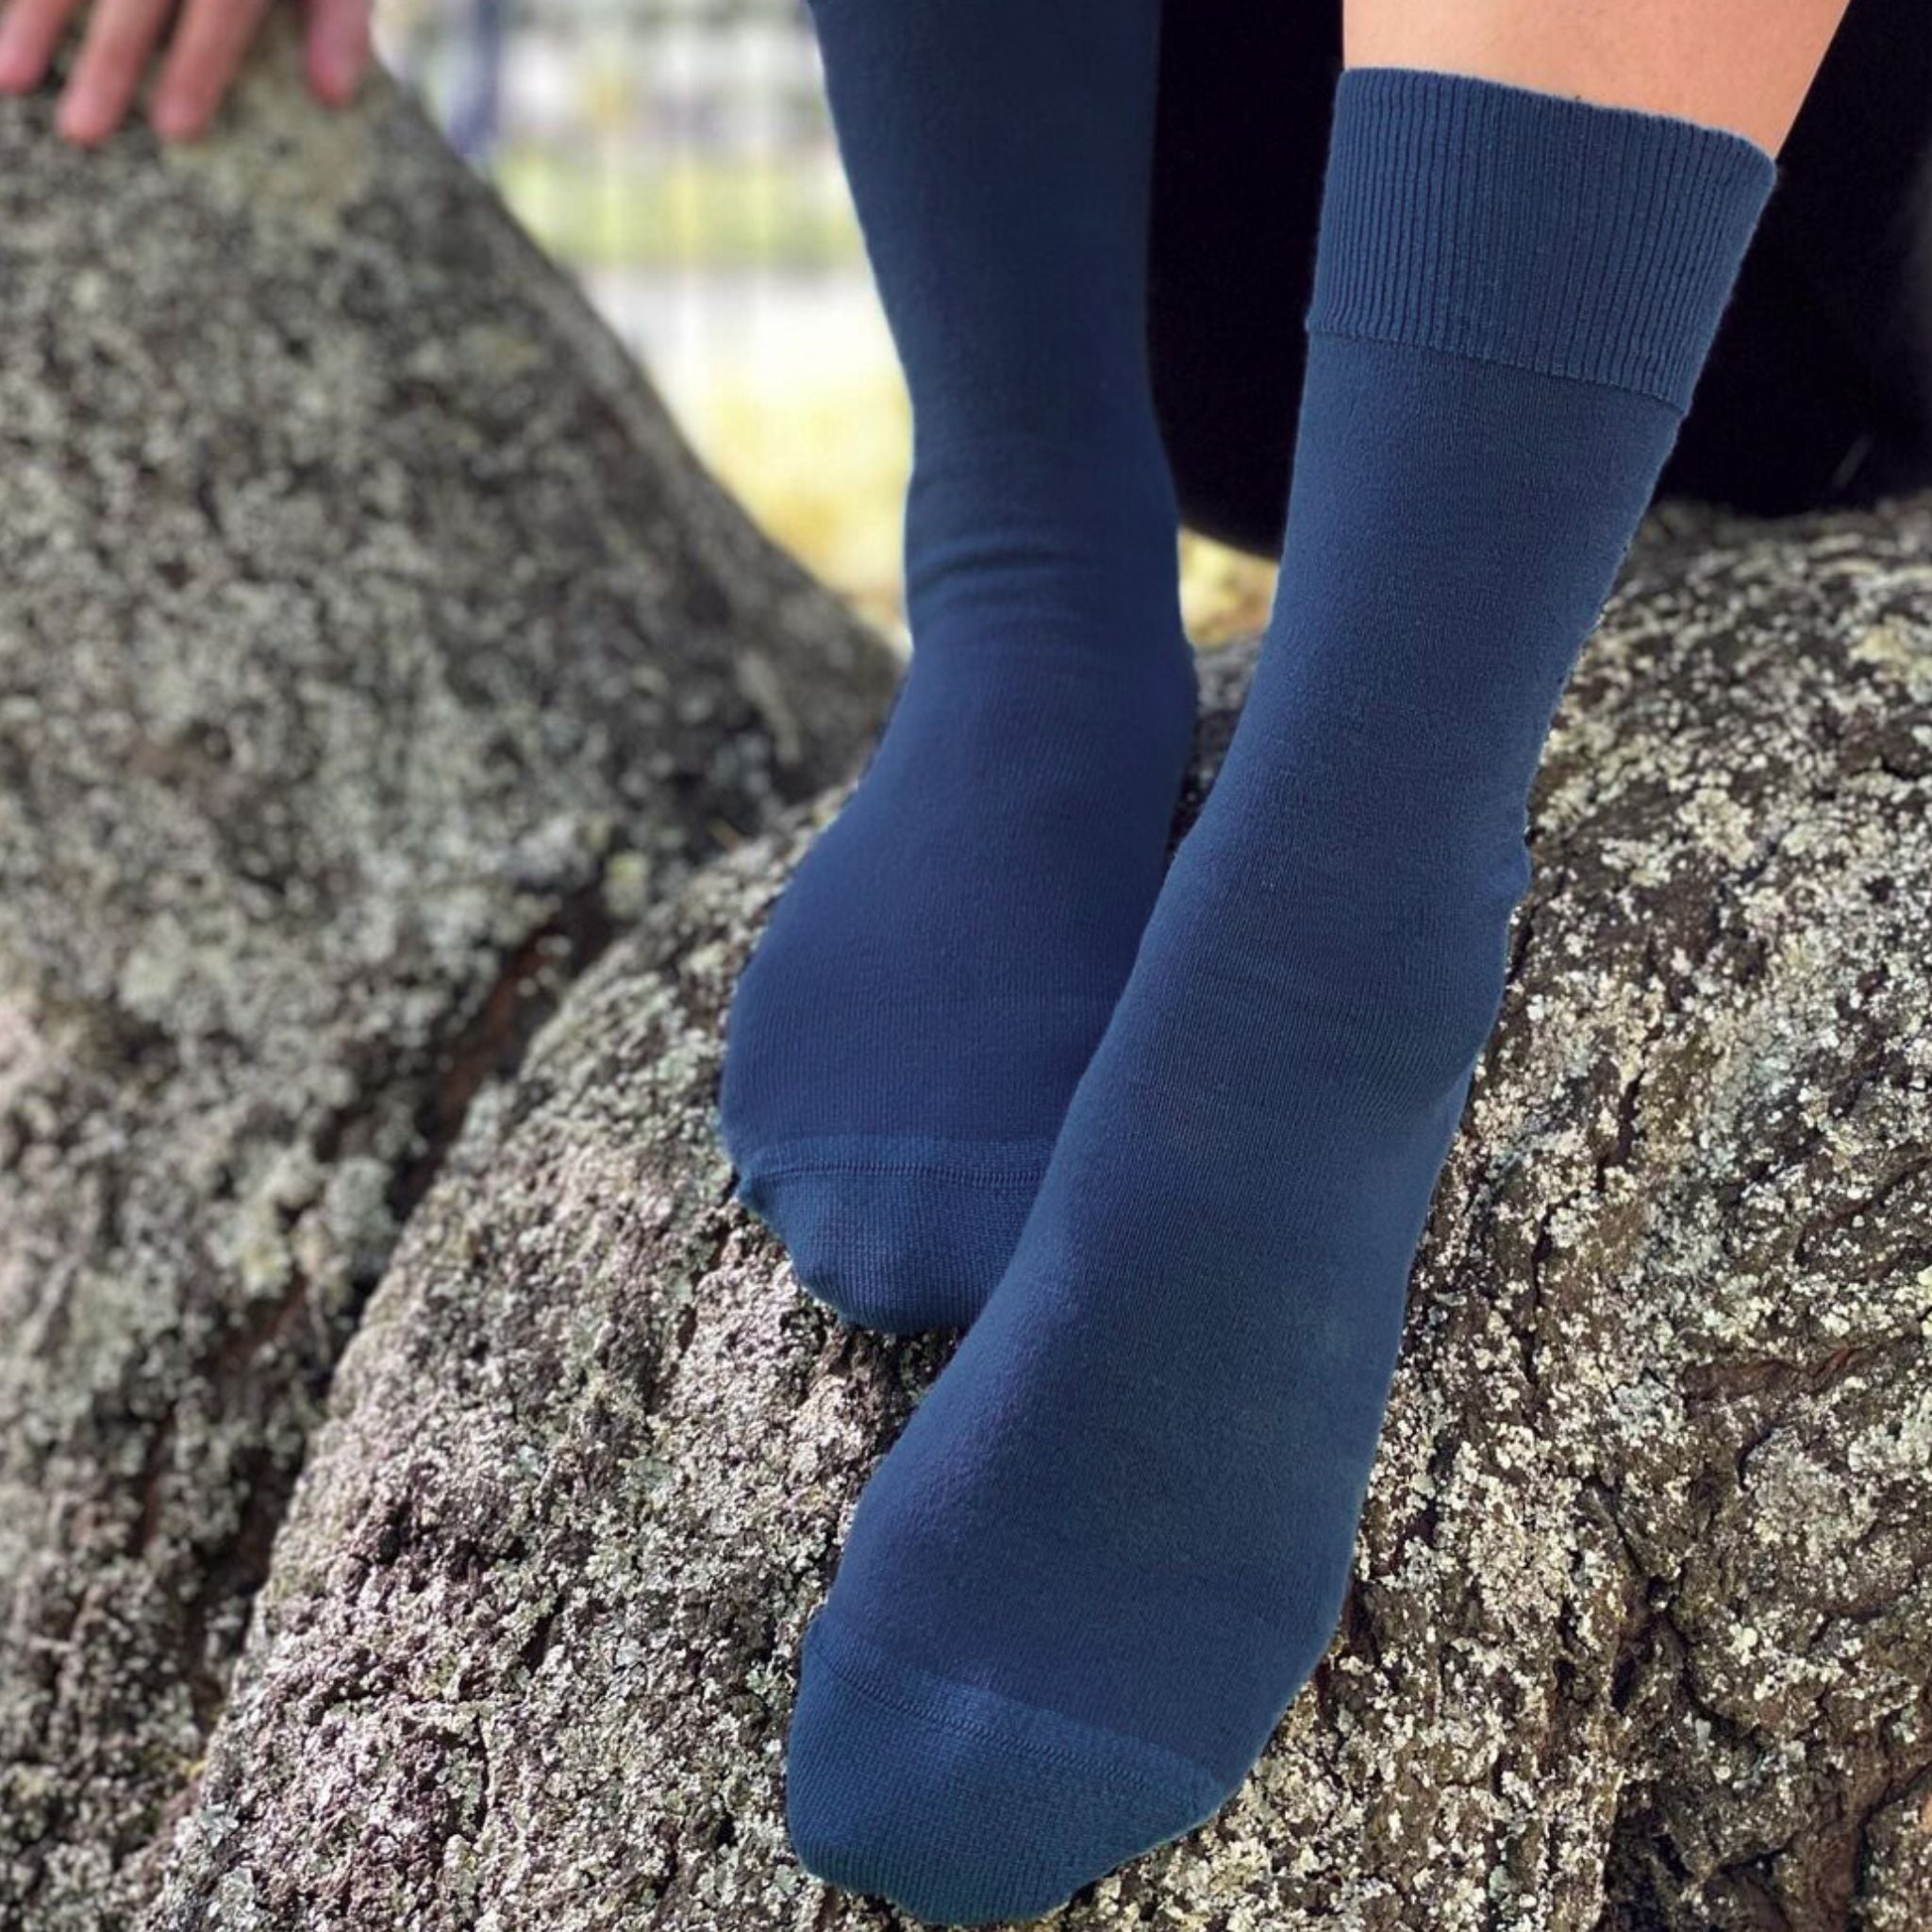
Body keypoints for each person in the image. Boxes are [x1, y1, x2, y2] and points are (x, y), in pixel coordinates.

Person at [14, 0, 1921, 1923]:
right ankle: (1028, 571)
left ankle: (1335, 918)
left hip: (1794, 236)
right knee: (1059, 466)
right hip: (1254, 215)